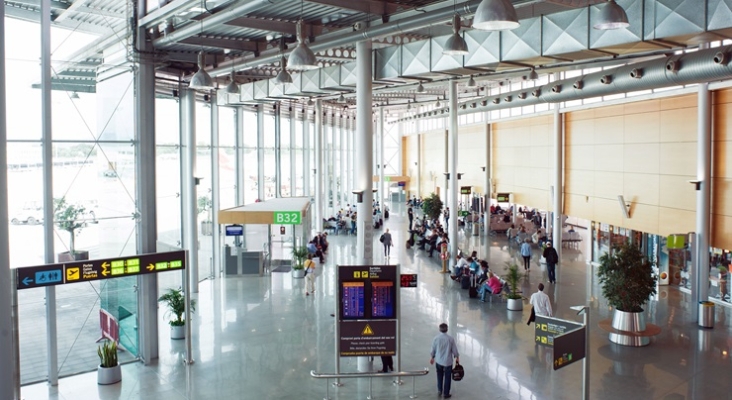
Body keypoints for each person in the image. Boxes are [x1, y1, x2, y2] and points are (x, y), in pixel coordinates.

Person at [430, 323, 459, 399]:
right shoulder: (450, 339)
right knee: (447, 377)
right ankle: (446, 393)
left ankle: (440, 390)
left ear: (439, 329)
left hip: (439, 361)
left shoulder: (436, 338)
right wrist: (457, 357)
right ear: (447, 329)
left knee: (439, 375)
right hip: (447, 362)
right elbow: (454, 350)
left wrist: (432, 357)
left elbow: (433, 349)